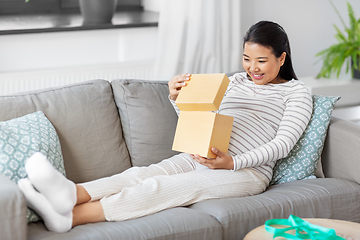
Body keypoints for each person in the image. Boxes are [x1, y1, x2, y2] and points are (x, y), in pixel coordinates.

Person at [17, 21, 313, 233]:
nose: (252, 68)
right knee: (140, 174)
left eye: (261, 61)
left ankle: (72, 217)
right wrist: (177, 97)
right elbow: (202, 116)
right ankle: (72, 194)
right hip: (203, 156)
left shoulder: (297, 93)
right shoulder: (235, 81)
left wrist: (232, 162)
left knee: (162, 187)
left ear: (282, 58)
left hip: (245, 172)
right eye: (247, 59)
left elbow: (282, 144)